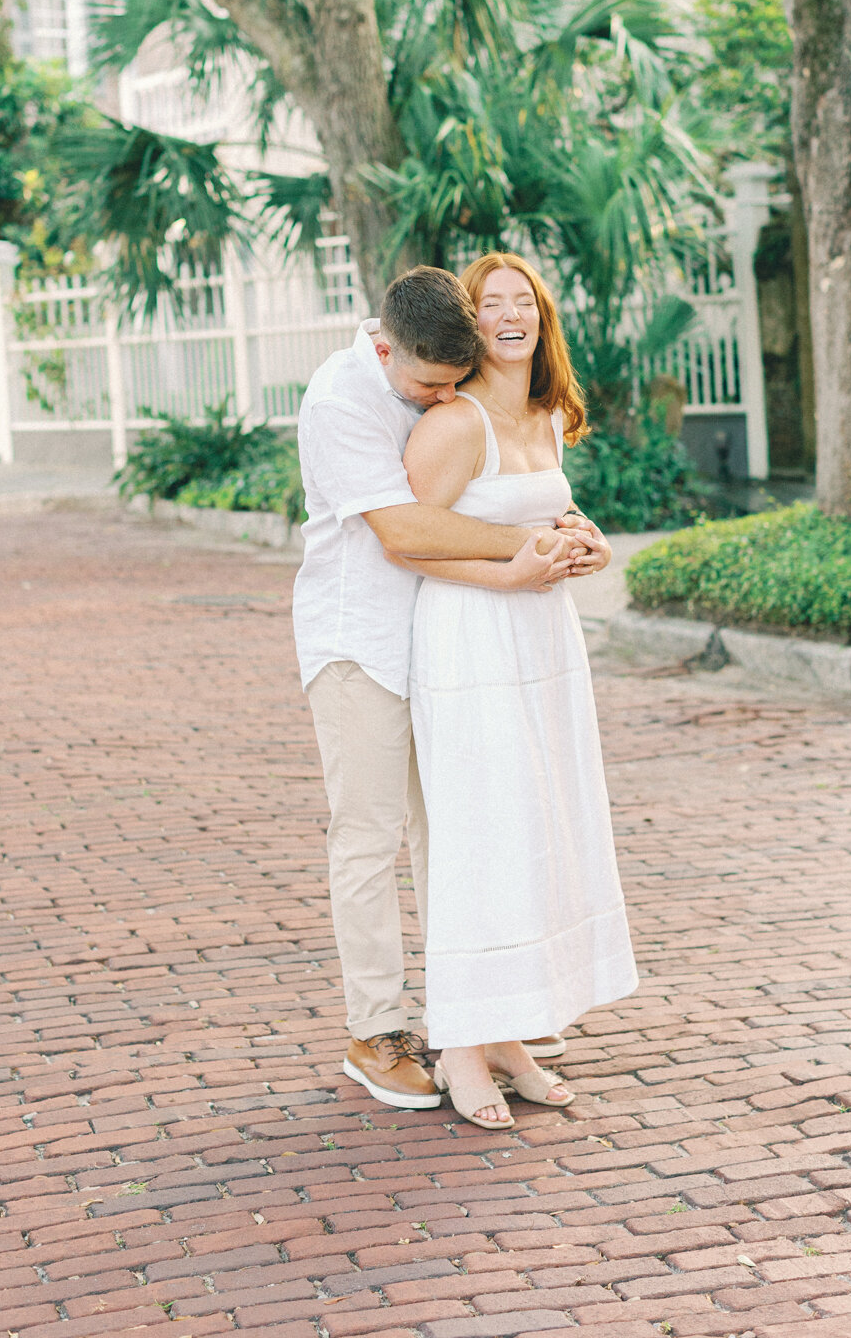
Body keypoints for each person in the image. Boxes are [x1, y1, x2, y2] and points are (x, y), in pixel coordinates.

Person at [293, 266, 609, 1111]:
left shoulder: (444, 374)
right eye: (430, 386)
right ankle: (375, 1031)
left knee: (457, 835)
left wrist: (562, 538)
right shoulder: (340, 401)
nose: (442, 399)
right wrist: (526, 545)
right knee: (369, 834)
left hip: (444, 642)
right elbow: (400, 529)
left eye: (451, 383)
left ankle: (476, 1016)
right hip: (361, 641)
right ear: (385, 351)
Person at [391, 252, 638, 1130]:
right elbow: (408, 541)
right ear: (470, 321)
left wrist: (588, 544)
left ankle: (507, 1034)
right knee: (480, 834)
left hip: (545, 640)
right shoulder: (455, 424)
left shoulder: (545, 416)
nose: (508, 315)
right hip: (472, 641)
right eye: (490, 302)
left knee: (535, 828)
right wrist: (508, 573)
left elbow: (543, 521)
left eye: (522, 301)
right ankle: (460, 1043)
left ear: (541, 318)